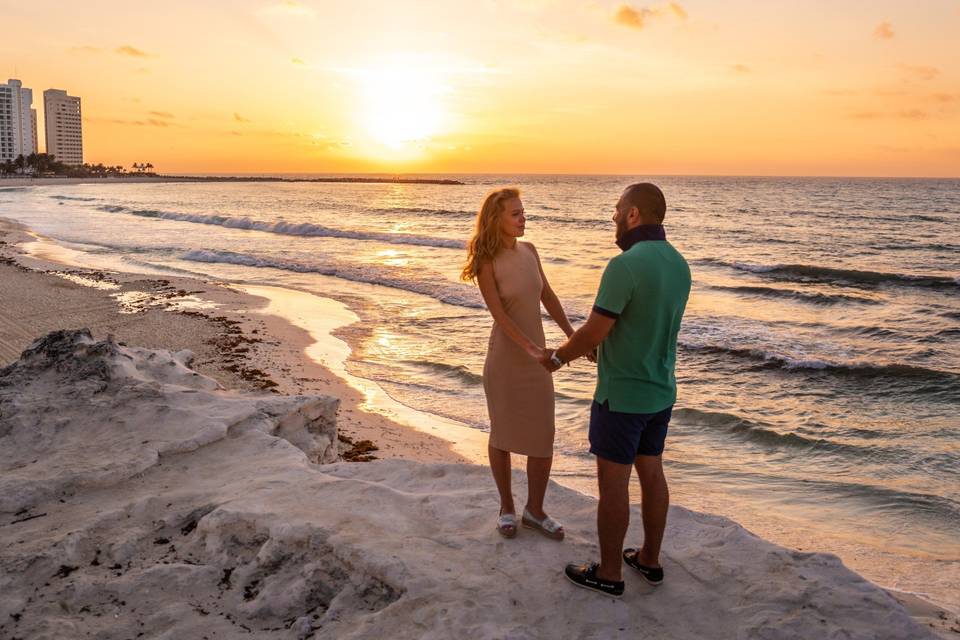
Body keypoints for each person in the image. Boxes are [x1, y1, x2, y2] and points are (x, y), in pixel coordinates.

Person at [541, 183, 690, 597]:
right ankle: (649, 559)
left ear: (634, 215)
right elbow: (645, 323)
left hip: (622, 396)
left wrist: (558, 358)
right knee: (653, 473)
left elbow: (594, 330)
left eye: (617, 209)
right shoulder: (679, 263)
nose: (612, 216)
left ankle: (609, 572)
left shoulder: (624, 265)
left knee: (613, 484)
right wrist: (602, 345)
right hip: (661, 390)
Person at [462, 187, 574, 540]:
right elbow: (500, 315)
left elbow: (548, 295)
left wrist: (573, 336)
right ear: (496, 219)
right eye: (516, 213)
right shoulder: (486, 260)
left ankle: (535, 510)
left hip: (537, 360)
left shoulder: (530, 251)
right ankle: (506, 507)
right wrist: (533, 351)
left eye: (523, 212)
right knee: (503, 433)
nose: (524, 218)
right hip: (507, 359)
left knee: (543, 434)